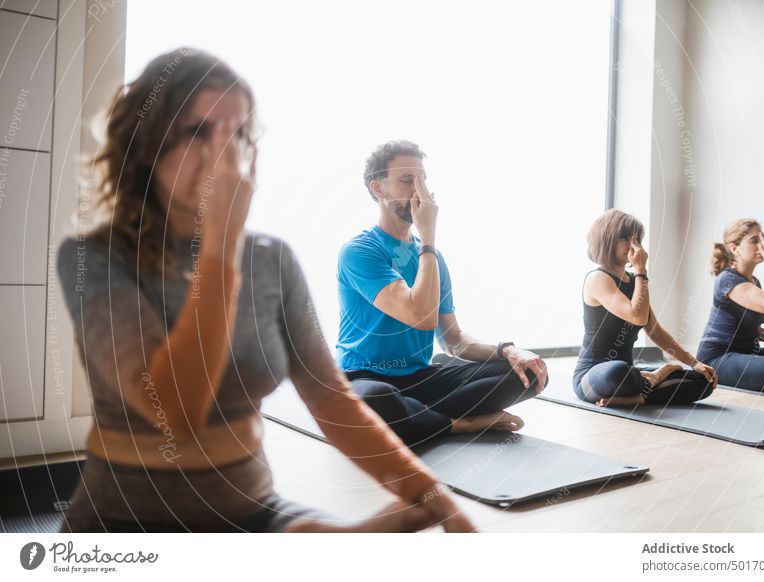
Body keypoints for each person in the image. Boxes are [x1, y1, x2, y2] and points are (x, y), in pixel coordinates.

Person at [56, 49, 473, 533]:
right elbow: (173, 409)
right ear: (147, 145)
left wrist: (430, 492)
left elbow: (331, 399)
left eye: (239, 135)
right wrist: (221, 249)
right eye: (197, 132)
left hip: (256, 509)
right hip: (124, 521)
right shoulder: (95, 258)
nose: (224, 154)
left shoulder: (272, 261)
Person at [335, 140, 548, 447]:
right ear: (378, 189)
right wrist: (429, 238)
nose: (420, 191)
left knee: (528, 372)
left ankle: (416, 419)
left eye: (423, 180)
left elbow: (454, 341)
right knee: (376, 399)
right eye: (408, 181)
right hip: (364, 378)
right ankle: (460, 424)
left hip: (421, 380)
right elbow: (419, 316)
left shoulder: (432, 258)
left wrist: (507, 350)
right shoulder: (359, 252)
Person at [573, 209, 717, 407]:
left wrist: (695, 363)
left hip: (632, 373)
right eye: (625, 238)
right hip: (596, 375)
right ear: (606, 239)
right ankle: (655, 377)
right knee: (620, 373)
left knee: (703, 381)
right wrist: (641, 270)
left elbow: (655, 331)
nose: (634, 246)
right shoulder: (598, 278)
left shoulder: (635, 281)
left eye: (637, 239)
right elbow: (637, 317)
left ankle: (639, 397)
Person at [696, 219, 764, 395]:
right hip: (717, 359)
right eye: (754, 240)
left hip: (749, 354)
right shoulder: (728, 280)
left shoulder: (753, 283)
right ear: (734, 248)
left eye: (762, 238)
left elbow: (759, 333)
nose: (762, 245)